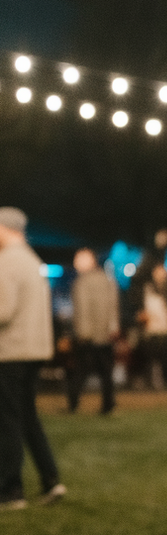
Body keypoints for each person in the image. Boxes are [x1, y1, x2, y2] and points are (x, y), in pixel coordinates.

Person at [0, 206, 65, 509]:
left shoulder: (7, 262)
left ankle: (11, 491)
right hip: (35, 350)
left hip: (11, 351)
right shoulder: (31, 260)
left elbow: (3, 310)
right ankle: (51, 480)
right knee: (28, 418)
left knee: (8, 421)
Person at [66, 248, 120, 414]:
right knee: (106, 372)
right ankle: (108, 403)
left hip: (88, 335)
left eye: (79, 259)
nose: (76, 263)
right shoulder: (107, 279)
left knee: (80, 370)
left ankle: (73, 402)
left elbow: (82, 309)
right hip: (105, 335)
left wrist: (83, 332)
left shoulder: (82, 282)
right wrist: (113, 327)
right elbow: (114, 306)